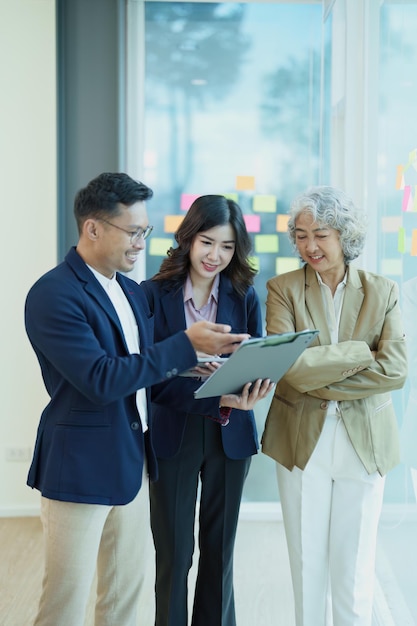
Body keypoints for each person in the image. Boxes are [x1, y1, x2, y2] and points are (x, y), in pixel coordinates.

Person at [25, 173, 252, 626]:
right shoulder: (54, 293)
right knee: (63, 607)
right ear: (93, 228)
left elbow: (148, 374)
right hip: (79, 470)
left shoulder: (129, 292)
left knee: (123, 604)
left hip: (132, 465)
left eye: (144, 232)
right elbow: (101, 378)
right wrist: (187, 346)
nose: (140, 243)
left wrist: (214, 387)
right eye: (133, 232)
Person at [261, 186, 407, 626]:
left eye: (320, 234)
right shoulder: (282, 289)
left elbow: (396, 371)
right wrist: (361, 352)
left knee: (355, 568)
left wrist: (318, 372)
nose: (310, 246)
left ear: (345, 236)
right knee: (306, 564)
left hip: (365, 444)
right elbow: (290, 370)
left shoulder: (383, 291)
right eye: (301, 235)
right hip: (301, 443)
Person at [140, 194, 274, 626]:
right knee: (175, 555)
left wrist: (253, 388)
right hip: (173, 434)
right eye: (207, 242)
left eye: (228, 246)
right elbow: (149, 380)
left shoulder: (243, 296)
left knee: (220, 553)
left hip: (229, 432)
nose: (216, 255)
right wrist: (211, 392)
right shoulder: (151, 296)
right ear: (187, 239)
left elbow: (253, 359)